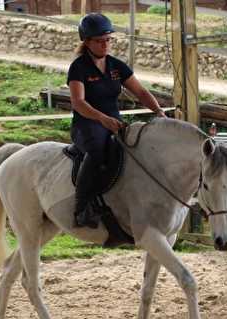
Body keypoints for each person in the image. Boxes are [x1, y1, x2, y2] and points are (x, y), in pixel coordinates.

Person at [67, 12, 167, 229]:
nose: (106, 45)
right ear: (86, 41)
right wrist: (102, 118)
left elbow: (140, 91)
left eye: (109, 39)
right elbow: (78, 102)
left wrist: (158, 110)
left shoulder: (116, 66)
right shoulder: (79, 67)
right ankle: (80, 209)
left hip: (114, 122)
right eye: (100, 41)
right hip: (87, 123)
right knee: (96, 150)